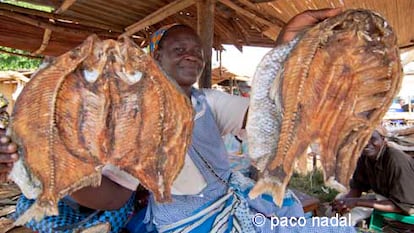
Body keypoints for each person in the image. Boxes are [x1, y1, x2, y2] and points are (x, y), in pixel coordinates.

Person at [0, 8, 356, 233]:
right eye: (179, 50)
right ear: (155, 57)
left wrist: (288, 45)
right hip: (185, 222)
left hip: (239, 204)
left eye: (197, 52)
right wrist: (51, 167)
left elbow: (271, 110)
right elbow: (111, 198)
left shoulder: (208, 103)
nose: (192, 56)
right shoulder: (131, 120)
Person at [331, 127, 414, 226]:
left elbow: (403, 205)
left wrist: (356, 202)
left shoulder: (395, 160)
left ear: (383, 140)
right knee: (335, 206)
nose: (366, 143)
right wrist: (344, 203)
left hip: (407, 203)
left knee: (347, 220)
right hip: (386, 198)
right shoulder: (365, 157)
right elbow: (357, 187)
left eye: (372, 138)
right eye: (362, 139)